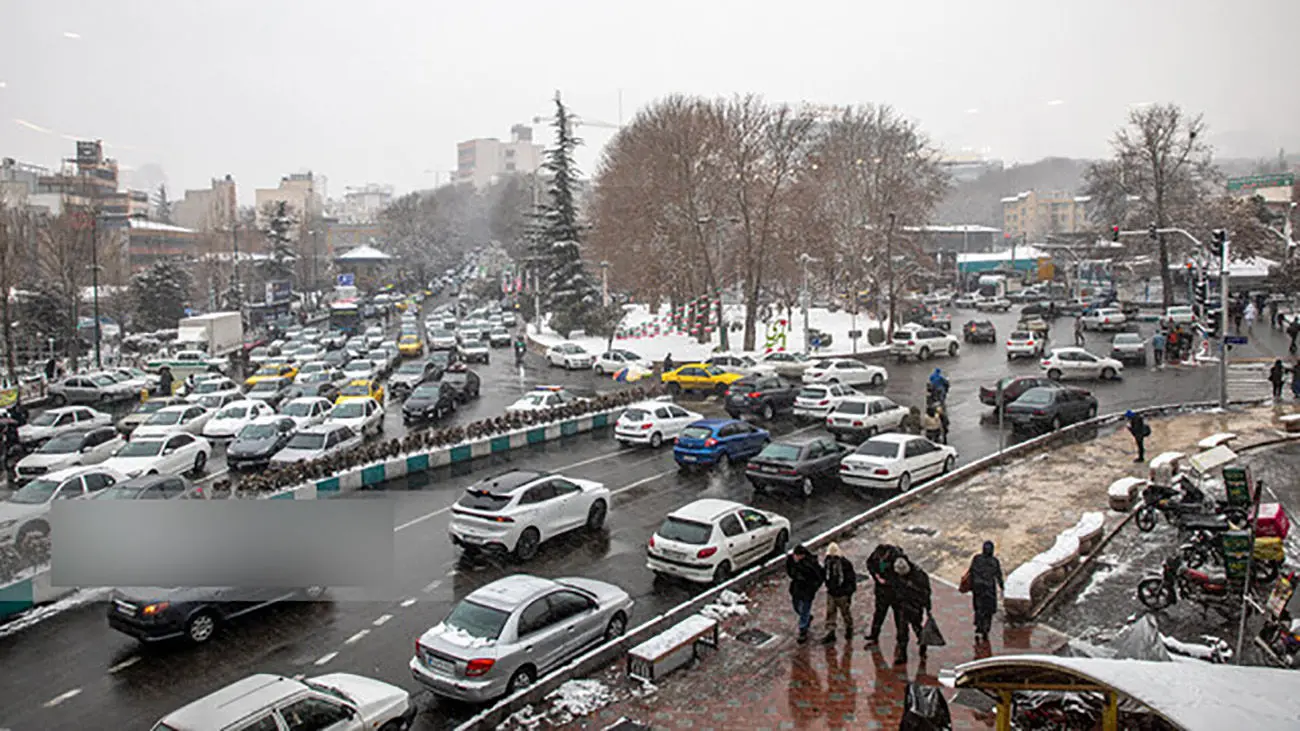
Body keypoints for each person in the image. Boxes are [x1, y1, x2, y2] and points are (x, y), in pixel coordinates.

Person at [892, 556, 932, 665]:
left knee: (917, 628)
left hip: (915, 607)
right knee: (902, 632)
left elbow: (926, 592)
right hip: (902, 606)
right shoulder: (897, 575)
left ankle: (923, 646)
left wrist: (927, 608)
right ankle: (902, 655)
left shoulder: (919, 576)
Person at [864, 543, 904, 646]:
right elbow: (869, 564)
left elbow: (903, 575)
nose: (880, 559)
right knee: (879, 614)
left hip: (896, 592)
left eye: (883, 558)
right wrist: (876, 576)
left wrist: (888, 581)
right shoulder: (876, 554)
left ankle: (901, 637)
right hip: (881, 592)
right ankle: (874, 635)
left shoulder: (898, 558)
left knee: (899, 616)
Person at [786, 544, 825, 644]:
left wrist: (813, 587)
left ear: (802, 555)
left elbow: (820, 576)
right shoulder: (791, 561)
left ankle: (803, 629)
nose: (795, 557)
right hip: (796, 589)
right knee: (796, 607)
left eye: (797, 555)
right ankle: (807, 618)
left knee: (804, 609)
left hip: (807, 591)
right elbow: (790, 571)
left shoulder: (810, 564)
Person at [966, 541, 1004, 641]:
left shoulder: (977, 558)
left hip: (978, 588)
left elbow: (971, 571)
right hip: (989, 589)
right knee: (988, 610)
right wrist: (1002, 586)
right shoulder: (994, 561)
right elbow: (998, 575)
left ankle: (979, 626)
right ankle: (986, 629)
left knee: (979, 608)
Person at [821, 542, 857, 644]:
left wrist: (847, 593)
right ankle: (830, 632)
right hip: (831, 592)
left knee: (845, 613)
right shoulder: (827, 563)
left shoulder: (845, 564)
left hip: (842, 594)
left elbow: (851, 580)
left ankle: (849, 628)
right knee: (830, 613)